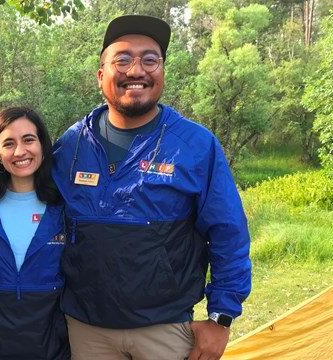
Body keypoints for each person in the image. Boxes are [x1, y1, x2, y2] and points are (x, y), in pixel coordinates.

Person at [52, 15, 252, 360]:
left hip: (166, 329)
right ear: (101, 76)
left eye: (150, 60)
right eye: (123, 59)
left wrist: (221, 317)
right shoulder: (71, 145)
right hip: (86, 328)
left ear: (161, 73)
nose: (137, 70)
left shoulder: (195, 144)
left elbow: (228, 231)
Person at [0, 106, 69, 359]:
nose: (20, 151)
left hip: (53, 346)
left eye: (29, 140)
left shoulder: (66, 205)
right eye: (9, 143)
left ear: (43, 145)